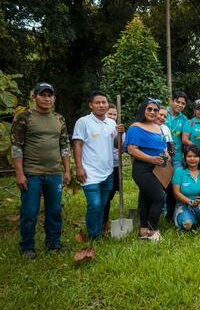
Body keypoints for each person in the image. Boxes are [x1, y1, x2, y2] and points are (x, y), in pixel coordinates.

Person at [11, 82, 71, 259]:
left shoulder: (59, 119)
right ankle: (27, 246)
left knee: (54, 211)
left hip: (54, 173)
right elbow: (16, 146)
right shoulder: (24, 117)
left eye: (50, 95)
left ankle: (53, 243)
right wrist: (20, 173)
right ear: (34, 97)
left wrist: (67, 170)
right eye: (42, 95)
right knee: (29, 212)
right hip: (31, 173)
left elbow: (64, 145)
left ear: (54, 98)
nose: (47, 98)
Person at [73, 90, 122, 240]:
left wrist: (120, 134)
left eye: (104, 102)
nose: (101, 105)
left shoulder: (111, 123)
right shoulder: (83, 122)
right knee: (94, 204)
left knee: (103, 203)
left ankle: (99, 230)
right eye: (98, 102)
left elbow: (118, 146)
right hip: (89, 172)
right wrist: (79, 167)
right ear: (91, 105)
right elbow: (77, 145)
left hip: (107, 171)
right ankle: (93, 235)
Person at [124, 99, 169, 241]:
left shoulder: (158, 127)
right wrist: (151, 159)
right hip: (142, 169)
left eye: (155, 110)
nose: (152, 112)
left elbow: (163, 147)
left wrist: (166, 155)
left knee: (146, 199)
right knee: (160, 198)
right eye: (149, 109)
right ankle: (153, 230)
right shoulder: (135, 127)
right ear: (143, 110)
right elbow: (131, 149)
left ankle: (143, 231)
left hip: (158, 168)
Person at [172, 145, 200, 230]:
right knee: (187, 224)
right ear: (184, 158)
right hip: (184, 204)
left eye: (195, 156)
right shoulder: (179, 172)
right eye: (189, 156)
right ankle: (192, 220)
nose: (192, 159)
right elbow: (176, 192)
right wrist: (191, 202)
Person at [102, 103, 123, 233]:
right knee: (106, 195)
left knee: (113, 192)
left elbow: (121, 149)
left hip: (116, 167)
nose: (112, 116)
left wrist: (120, 135)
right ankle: (104, 221)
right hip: (104, 167)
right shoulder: (102, 129)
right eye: (109, 114)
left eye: (114, 114)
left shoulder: (119, 130)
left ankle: (105, 221)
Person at [166, 91, 188, 170]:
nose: (180, 105)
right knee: (162, 179)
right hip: (160, 152)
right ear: (171, 101)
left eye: (183, 103)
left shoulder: (184, 119)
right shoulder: (162, 113)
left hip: (176, 155)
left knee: (176, 179)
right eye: (177, 102)